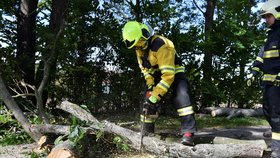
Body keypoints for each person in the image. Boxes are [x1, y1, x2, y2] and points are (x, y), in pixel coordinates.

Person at [122, 21, 197, 146]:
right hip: (156, 75)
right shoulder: (138, 47)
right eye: (137, 46)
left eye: (140, 44)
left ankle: (188, 133)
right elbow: (144, 69)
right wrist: (150, 86)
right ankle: (146, 132)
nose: (139, 48)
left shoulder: (161, 45)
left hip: (173, 72)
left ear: (145, 36)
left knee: (181, 96)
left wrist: (156, 96)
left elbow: (168, 76)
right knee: (147, 99)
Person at [247, 0, 280, 157]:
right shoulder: (271, 35)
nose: (266, 20)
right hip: (268, 83)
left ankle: (277, 150)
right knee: (268, 113)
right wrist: (254, 70)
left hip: (278, 84)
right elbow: (262, 55)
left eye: (268, 16)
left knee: (276, 116)